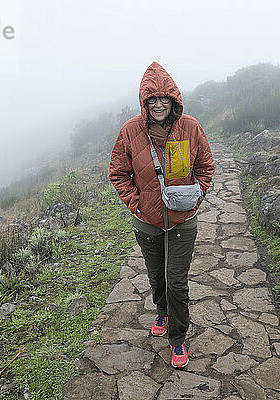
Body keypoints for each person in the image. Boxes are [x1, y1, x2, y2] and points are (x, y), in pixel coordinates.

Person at [109, 61, 215, 368]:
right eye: (151, 99)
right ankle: (162, 310)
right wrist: (137, 203)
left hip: (183, 219)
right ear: (144, 102)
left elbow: (205, 168)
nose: (158, 104)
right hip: (147, 222)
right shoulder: (129, 131)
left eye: (163, 98)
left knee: (176, 280)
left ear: (173, 99)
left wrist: (196, 197)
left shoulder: (191, 127)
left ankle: (178, 339)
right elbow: (118, 172)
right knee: (157, 278)